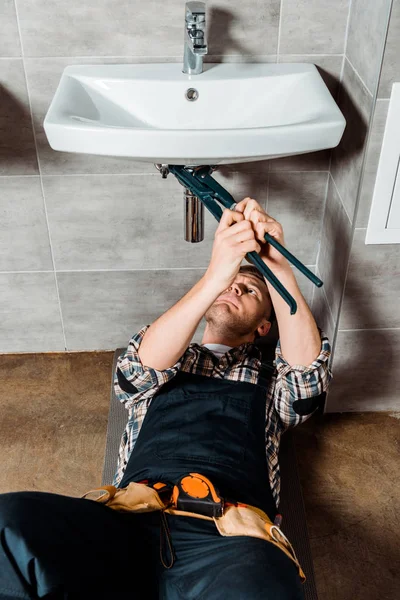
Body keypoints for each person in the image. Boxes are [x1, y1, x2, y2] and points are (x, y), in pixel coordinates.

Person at [0, 197, 331, 600]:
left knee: (265, 588)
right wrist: (216, 273)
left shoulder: (269, 379)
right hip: (127, 520)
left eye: (249, 290)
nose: (234, 288)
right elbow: (132, 374)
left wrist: (277, 267)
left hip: (227, 539)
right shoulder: (172, 356)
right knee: (8, 525)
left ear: (265, 325)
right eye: (230, 284)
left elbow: (306, 386)